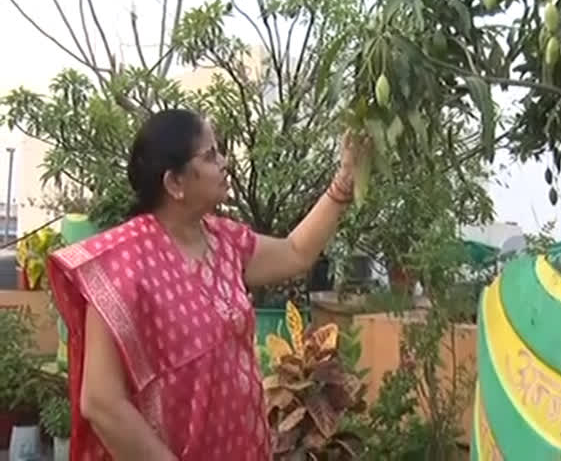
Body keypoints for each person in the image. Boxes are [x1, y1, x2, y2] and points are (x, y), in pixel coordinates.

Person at [47, 109, 369, 460]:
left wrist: (344, 181)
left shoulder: (223, 240)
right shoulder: (121, 264)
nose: (224, 162)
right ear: (175, 183)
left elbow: (295, 253)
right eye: (211, 155)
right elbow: (101, 401)